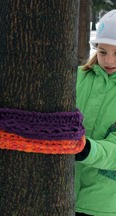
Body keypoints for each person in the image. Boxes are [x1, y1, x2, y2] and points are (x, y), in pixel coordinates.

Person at [75, 9, 116, 216]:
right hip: (64, 194)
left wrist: (87, 149)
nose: (109, 60)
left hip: (104, 204)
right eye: (103, 52)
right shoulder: (76, 78)